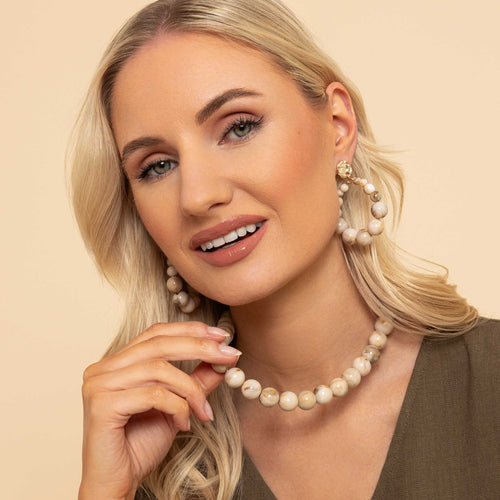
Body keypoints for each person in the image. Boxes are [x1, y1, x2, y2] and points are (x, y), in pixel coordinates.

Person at [69, 0, 498, 498]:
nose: (198, 196)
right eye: (157, 166)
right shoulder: (150, 448)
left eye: (239, 127)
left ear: (337, 125)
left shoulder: (487, 380)